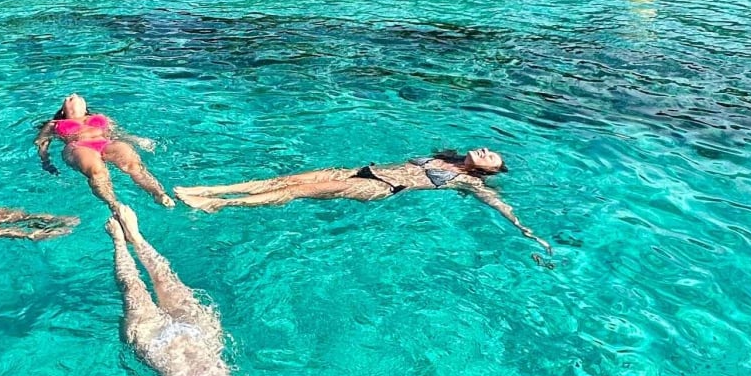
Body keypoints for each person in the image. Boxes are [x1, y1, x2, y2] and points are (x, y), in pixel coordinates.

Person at [102, 204, 481, 376]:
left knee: (132, 287)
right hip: (203, 337)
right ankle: (137, 235)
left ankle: (119, 242)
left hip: (154, 345)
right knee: (165, 276)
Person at [175, 148, 551, 254]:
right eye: (488, 149)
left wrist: (525, 230)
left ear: (486, 172)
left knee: (296, 192)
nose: (485, 151)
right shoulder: (448, 156)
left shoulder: (468, 181)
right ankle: (210, 189)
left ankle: (219, 204)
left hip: (378, 188)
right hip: (359, 170)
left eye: (490, 157)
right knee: (286, 179)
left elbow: (499, 206)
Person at [36, 94, 173, 210]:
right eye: (69, 97)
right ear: (63, 110)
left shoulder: (100, 116)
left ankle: (159, 194)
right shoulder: (54, 124)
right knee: (97, 172)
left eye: (78, 96)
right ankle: (115, 206)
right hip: (79, 146)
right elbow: (42, 143)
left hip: (107, 143)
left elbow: (117, 133)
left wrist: (137, 140)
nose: (74, 95)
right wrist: (46, 161)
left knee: (133, 165)